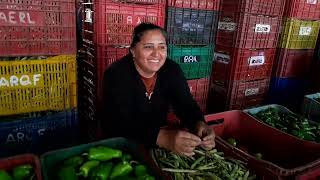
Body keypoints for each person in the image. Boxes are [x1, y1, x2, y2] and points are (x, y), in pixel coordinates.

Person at [102, 23, 215, 156]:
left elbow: (186, 104)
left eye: (161, 47)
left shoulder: (172, 70)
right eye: (148, 47)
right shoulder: (116, 74)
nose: (156, 54)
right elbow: (116, 122)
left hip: (156, 144)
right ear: (132, 50)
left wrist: (198, 122)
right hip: (121, 146)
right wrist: (162, 138)